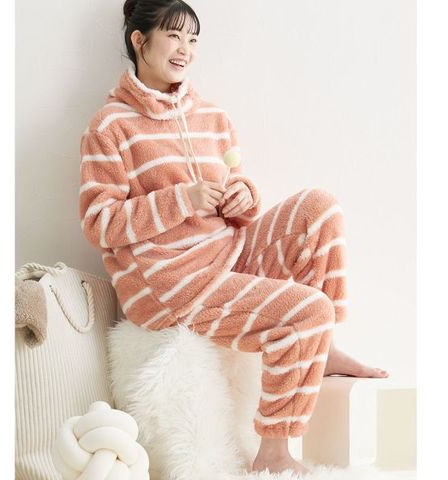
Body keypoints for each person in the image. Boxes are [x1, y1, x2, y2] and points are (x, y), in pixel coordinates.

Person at [79, 0, 389, 475]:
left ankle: (322, 348)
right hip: (170, 282)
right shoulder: (109, 126)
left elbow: (237, 193)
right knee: (308, 310)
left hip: (228, 253)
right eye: (174, 36)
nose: (185, 49)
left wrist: (243, 197)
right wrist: (182, 199)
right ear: (140, 41)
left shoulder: (212, 117)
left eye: (192, 39)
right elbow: (99, 222)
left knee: (319, 206)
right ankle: (274, 451)